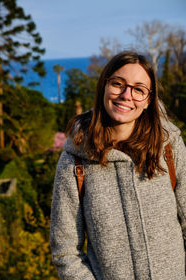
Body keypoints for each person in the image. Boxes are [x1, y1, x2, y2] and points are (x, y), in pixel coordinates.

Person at [50, 51, 186, 280]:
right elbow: (66, 252)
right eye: (117, 84)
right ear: (104, 86)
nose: (126, 95)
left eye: (138, 89)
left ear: (148, 100)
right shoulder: (74, 161)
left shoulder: (169, 147)